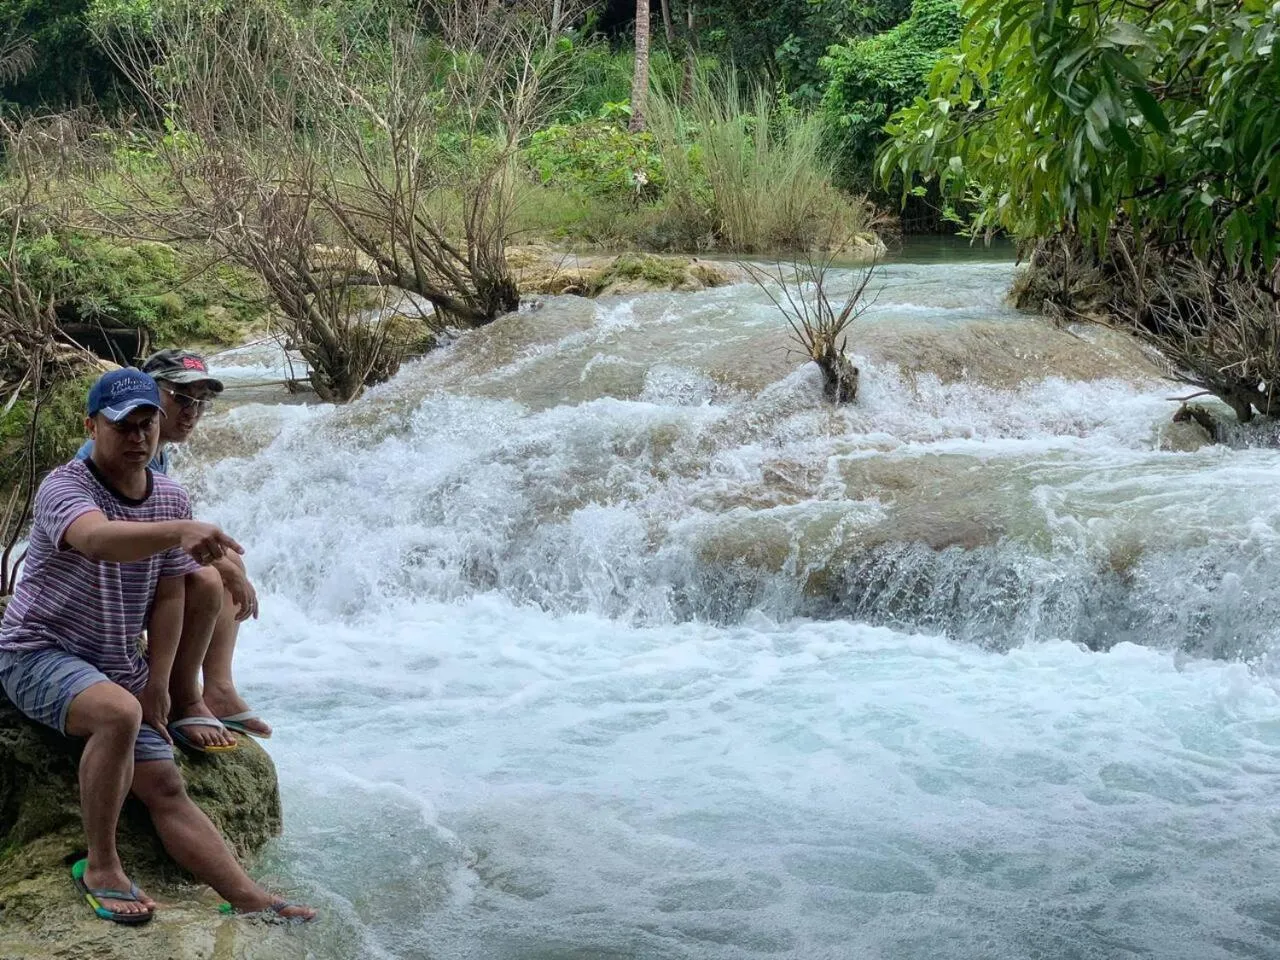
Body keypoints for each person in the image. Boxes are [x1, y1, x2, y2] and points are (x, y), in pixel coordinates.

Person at [0, 369, 314, 924]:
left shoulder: (169, 495)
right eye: (123, 426)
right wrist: (179, 530)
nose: (138, 437)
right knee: (117, 714)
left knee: (166, 783)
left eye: (147, 424)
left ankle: (249, 898)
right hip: (37, 653)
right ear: (91, 425)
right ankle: (101, 867)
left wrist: (159, 683)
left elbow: (169, 594)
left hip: (116, 664)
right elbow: (96, 540)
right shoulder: (65, 486)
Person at [78, 349, 270, 746]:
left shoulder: (157, 453)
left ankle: (218, 685)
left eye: (202, 401)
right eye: (182, 398)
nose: (192, 412)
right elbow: (124, 535)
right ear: (151, 393)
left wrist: (226, 563)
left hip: (137, 566)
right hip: (104, 579)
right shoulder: (112, 452)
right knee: (206, 577)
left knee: (225, 560)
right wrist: (224, 569)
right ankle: (186, 696)